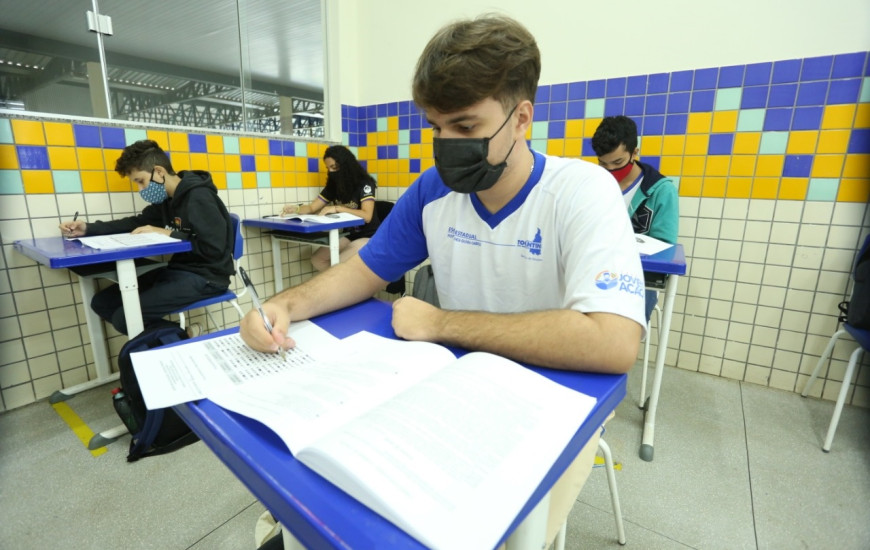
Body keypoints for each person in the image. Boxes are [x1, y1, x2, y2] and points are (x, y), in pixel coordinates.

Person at [242, 15, 646, 547]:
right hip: (450, 395)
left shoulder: (582, 191)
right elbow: (362, 272)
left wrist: (441, 324)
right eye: (435, 127)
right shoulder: (434, 190)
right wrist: (286, 306)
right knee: (328, 500)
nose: (446, 143)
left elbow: (613, 342)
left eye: (465, 127)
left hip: (550, 406)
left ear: (521, 119)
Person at [59, 139, 234, 335]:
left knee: (124, 318)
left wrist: (168, 233)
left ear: (159, 172)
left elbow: (214, 248)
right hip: (179, 270)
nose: (141, 188)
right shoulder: (167, 200)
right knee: (103, 303)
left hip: (208, 277)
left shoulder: (199, 197)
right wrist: (88, 229)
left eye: (140, 181)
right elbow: (136, 222)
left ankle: (178, 338)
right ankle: (183, 335)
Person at [591, 115, 679, 321]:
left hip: (638, 277)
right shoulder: (594, 184)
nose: (611, 170)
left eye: (618, 162)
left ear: (635, 153)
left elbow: (664, 249)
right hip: (596, 270)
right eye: (603, 163)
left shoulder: (661, 191)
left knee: (618, 322)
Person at [281, 145, 380, 271]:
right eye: (328, 168)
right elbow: (312, 208)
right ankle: (343, 282)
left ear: (346, 165)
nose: (331, 172)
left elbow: (367, 216)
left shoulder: (365, 184)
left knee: (337, 266)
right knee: (317, 259)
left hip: (370, 236)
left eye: (334, 167)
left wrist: (338, 208)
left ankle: (344, 281)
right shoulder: (334, 186)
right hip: (350, 235)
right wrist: (295, 209)